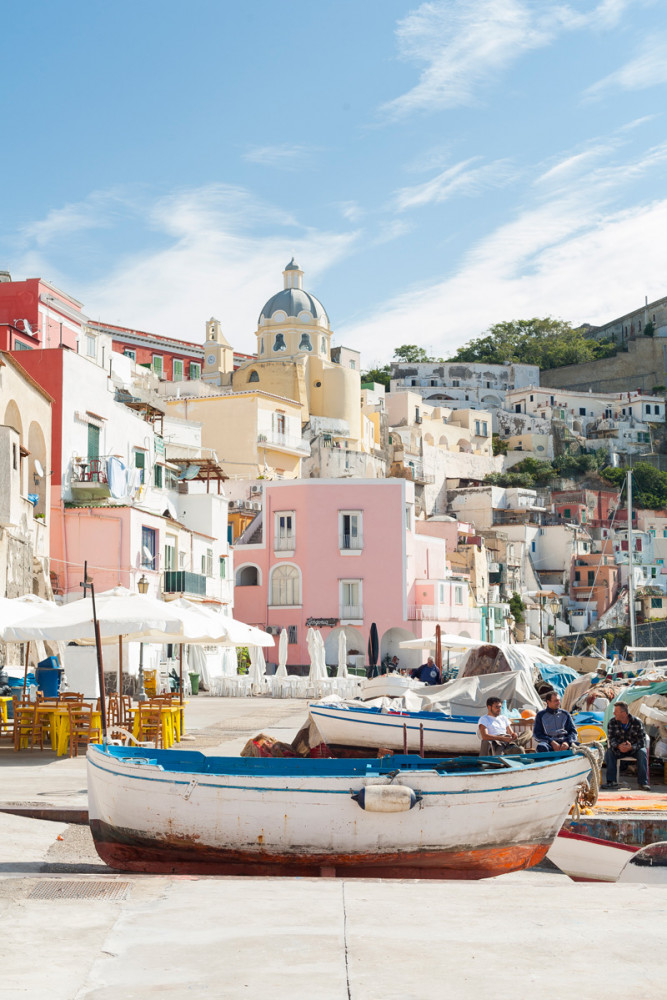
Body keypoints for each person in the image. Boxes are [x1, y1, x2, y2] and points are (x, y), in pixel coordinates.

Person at [604, 701, 650, 790]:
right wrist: (618, 746)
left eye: (616, 712)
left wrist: (631, 747)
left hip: (634, 750)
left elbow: (642, 741)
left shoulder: (637, 722)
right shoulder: (612, 722)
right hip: (618, 749)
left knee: (642, 752)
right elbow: (611, 739)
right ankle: (611, 782)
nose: (614, 713)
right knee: (609, 752)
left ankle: (643, 783)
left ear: (624, 713)